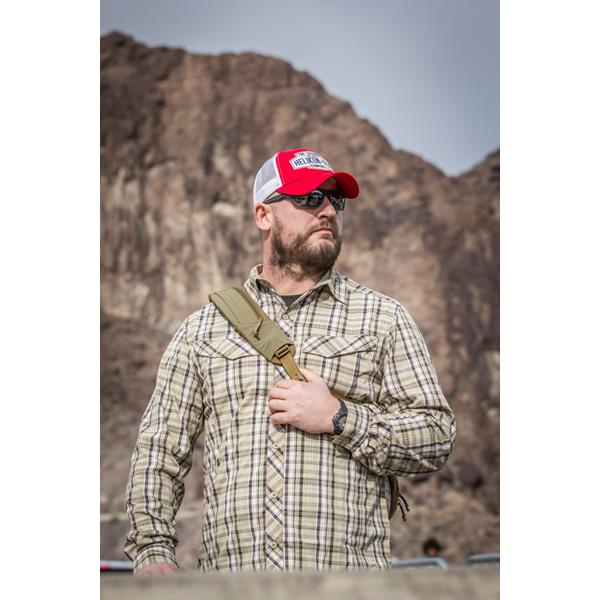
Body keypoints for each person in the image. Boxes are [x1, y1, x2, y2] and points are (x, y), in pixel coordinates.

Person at [124, 147, 456, 574]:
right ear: (264, 215)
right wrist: (152, 551)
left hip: (349, 587)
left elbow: (435, 434)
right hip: (233, 588)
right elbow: (159, 450)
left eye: (335, 200)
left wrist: (340, 418)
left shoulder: (383, 318)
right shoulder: (202, 331)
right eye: (308, 198)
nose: (328, 211)